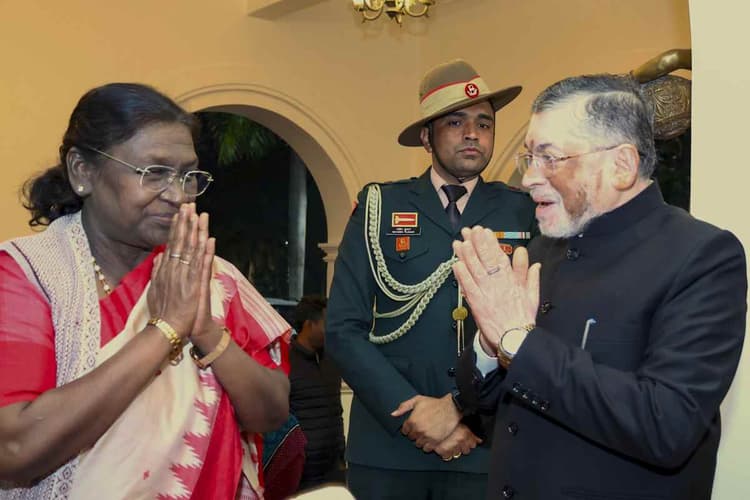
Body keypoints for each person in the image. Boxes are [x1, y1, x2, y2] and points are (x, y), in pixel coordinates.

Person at [452, 74, 747, 500]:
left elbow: (666, 426)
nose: (529, 178)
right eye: (529, 157)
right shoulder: (543, 249)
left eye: (550, 158)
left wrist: (517, 342)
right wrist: (487, 343)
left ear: (621, 165)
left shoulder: (701, 256)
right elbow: (488, 408)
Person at [0, 83, 291, 499]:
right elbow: (13, 449)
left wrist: (207, 331)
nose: (178, 195)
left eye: (188, 176)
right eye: (154, 173)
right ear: (83, 171)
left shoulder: (212, 278)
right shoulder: (28, 275)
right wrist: (166, 329)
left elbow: (271, 413)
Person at [326, 59, 537, 499]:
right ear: (426, 137)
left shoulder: (523, 210)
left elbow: (538, 327)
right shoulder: (380, 207)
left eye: (484, 123)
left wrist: (469, 415)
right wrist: (409, 413)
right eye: (455, 122)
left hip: (485, 446)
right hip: (389, 447)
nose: (472, 133)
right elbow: (343, 330)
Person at [288, 295, 346, 491]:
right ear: (308, 325)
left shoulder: (332, 359)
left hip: (334, 466)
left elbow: (337, 410)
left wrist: (341, 451)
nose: (331, 330)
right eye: (326, 324)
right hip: (301, 471)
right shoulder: (285, 362)